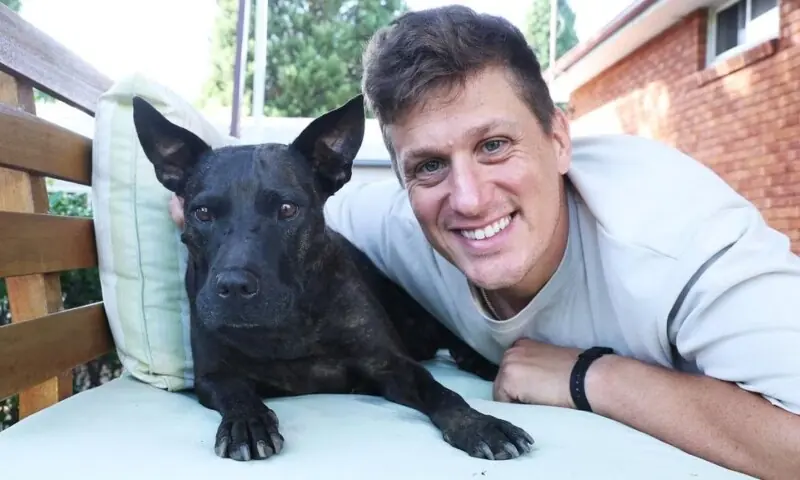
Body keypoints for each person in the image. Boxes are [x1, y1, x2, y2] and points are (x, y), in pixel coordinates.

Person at [168, 5, 800, 478]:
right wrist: (199, 213)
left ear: (558, 140)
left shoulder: (682, 240)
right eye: (428, 165)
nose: (468, 199)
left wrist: (592, 377)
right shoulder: (397, 219)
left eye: (494, 145)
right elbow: (275, 199)